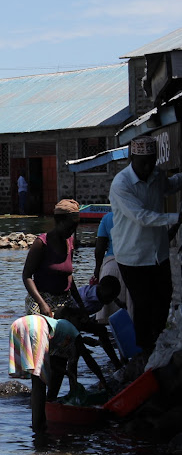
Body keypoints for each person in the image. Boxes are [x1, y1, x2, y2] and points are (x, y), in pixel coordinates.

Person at [109, 135, 182, 353]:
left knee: (164, 297)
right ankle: (143, 350)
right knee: (142, 304)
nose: (149, 166)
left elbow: (168, 186)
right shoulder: (122, 184)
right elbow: (142, 216)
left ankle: (157, 341)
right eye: (144, 162)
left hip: (158, 254)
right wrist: (176, 218)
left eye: (152, 161)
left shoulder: (157, 174)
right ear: (132, 158)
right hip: (133, 256)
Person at [9, 315, 103, 432]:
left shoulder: (56, 339)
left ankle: (37, 422)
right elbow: (89, 359)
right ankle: (39, 428)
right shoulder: (74, 334)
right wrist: (103, 380)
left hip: (18, 325)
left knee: (36, 379)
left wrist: (67, 373)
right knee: (39, 383)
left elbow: (50, 365)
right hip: (36, 326)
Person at [22, 199, 82, 318]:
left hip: (64, 299)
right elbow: (27, 276)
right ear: (58, 221)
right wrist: (42, 303)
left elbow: (68, 277)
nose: (72, 231)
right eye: (69, 227)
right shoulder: (41, 243)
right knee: (40, 330)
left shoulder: (70, 242)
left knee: (73, 332)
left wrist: (81, 305)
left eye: (75, 227)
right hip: (41, 299)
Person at [61, 276, 124, 370]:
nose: (109, 300)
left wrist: (118, 302)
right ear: (101, 290)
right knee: (76, 350)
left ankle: (117, 364)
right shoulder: (88, 297)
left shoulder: (104, 294)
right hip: (70, 317)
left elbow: (111, 294)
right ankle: (73, 376)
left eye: (112, 298)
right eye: (109, 297)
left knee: (102, 331)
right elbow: (70, 311)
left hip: (81, 316)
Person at [92, 211, 134, 323]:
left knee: (106, 316)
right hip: (133, 265)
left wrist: (97, 270)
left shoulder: (107, 218)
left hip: (111, 267)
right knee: (132, 313)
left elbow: (100, 247)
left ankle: (108, 339)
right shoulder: (137, 216)